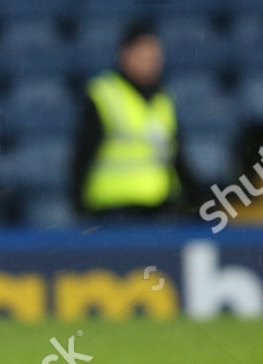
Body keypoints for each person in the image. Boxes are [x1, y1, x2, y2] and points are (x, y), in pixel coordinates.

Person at [70, 21, 198, 224]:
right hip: (112, 211)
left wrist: (196, 204)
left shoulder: (163, 100)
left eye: (154, 56)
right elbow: (82, 156)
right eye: (143, 55)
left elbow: (177, 157)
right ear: (126, 55)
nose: (151, 62)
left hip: (158, 209)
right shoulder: (104, 95)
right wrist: (79, 207)